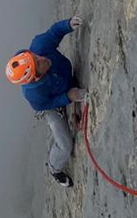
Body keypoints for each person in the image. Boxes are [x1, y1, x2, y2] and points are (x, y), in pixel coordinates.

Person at [5, 17, 87, 188]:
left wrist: (68, 24)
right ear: (34, 77)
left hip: (64, 83)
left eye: (35, 57)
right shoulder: (34, 94)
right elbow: (42, 106)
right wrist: (67, 98)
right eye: (38, 64)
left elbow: (54, 33)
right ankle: (54, 168)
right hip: (51, 105)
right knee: (65, 146)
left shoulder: (39, 46)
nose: (41, 59)